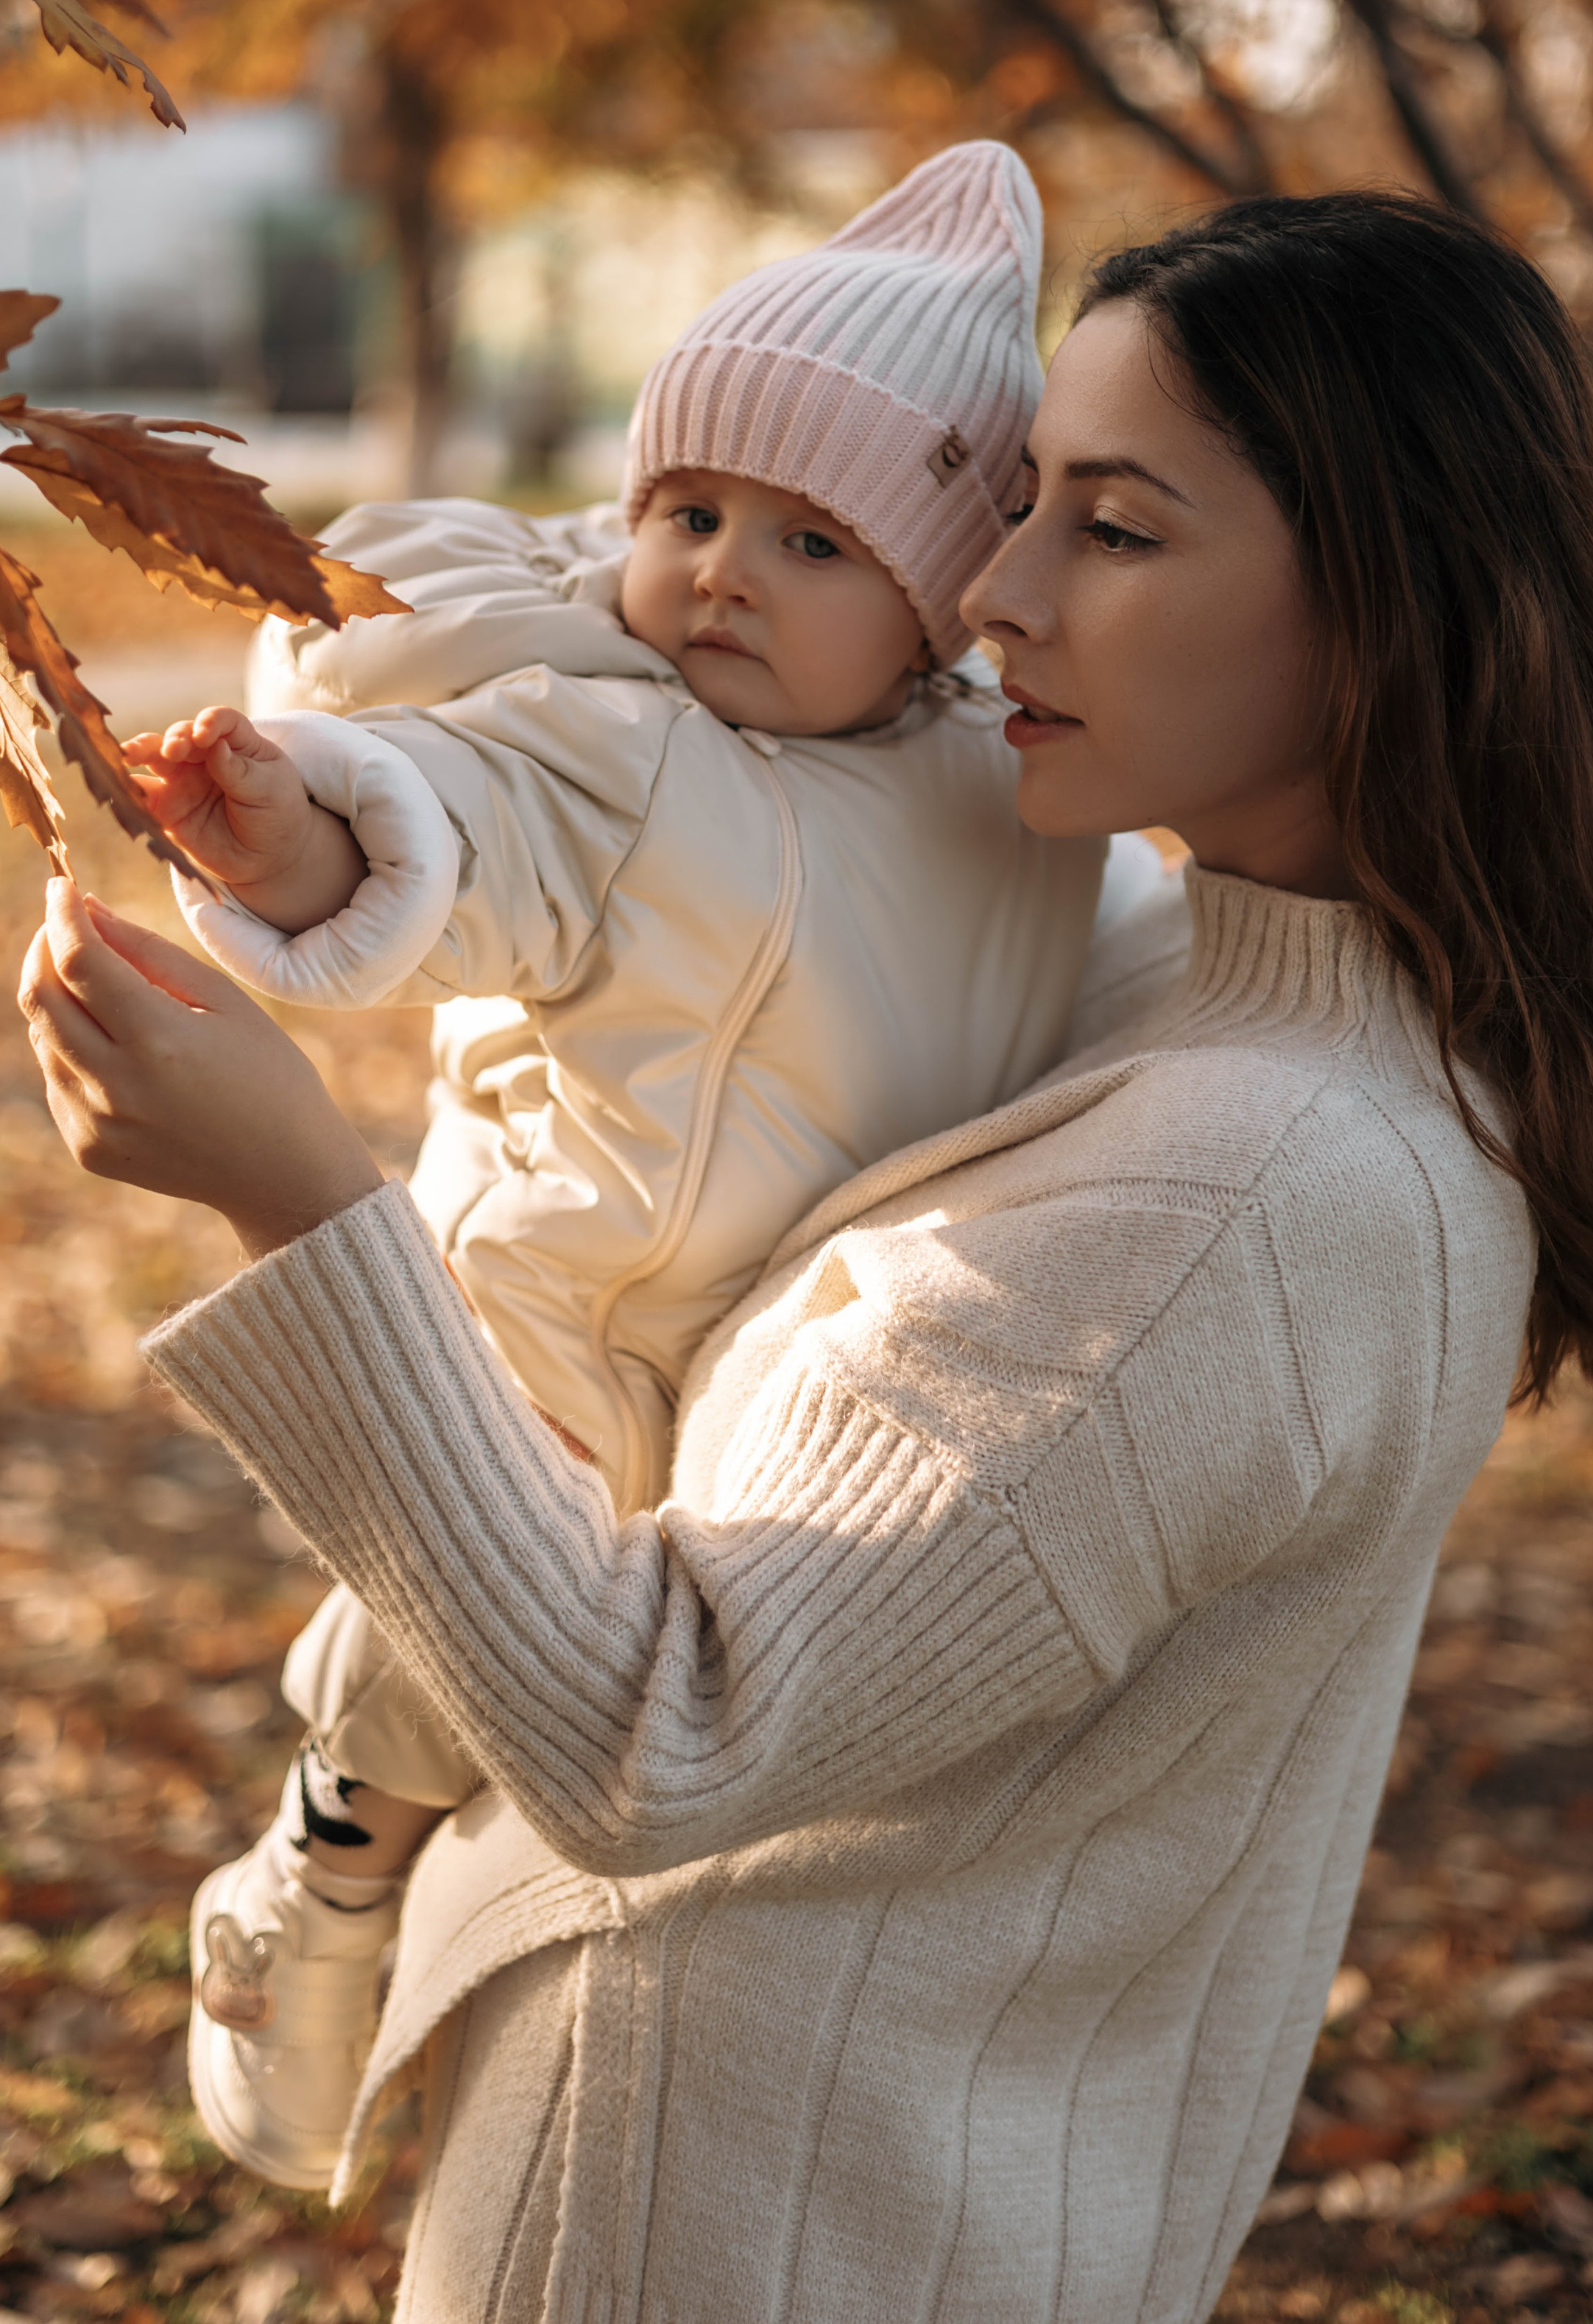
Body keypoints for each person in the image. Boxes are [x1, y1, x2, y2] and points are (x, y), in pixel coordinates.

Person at [20, 189, 1593, 2324]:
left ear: (1384, 600)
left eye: (1110, 526)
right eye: (1014, 508)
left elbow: (666, 1730)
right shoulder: (1218, 996)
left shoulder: (1246, 1191)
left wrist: (293, 1193)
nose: (990, 592)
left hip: (742, 2225)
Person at [116, 143, 1131, 2191]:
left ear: (945, 601)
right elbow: (457, 828)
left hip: (788, 1350)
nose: (725, 574)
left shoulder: (1005, 788)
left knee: (657, 1724)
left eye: (815, 543)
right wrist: (286, 835)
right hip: (561, 1316)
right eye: (689, 512)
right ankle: (316, 1877)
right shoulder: (634, 755)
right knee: (458, 1672)